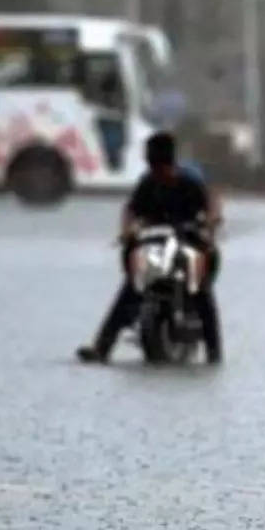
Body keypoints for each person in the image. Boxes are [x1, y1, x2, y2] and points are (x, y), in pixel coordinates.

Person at [76, 131, 223, 364]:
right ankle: (102, 347)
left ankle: (214, 352)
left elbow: (211, 203)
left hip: (188, 241)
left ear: (171, 164)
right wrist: (127, 230)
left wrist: (210, 224)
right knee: (131, 288)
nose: (158, 174)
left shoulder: (190, 182)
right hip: (155, 245)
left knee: (201, 290)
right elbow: (131, 210)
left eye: (161, 168)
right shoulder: (147, 183)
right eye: (153, 168)